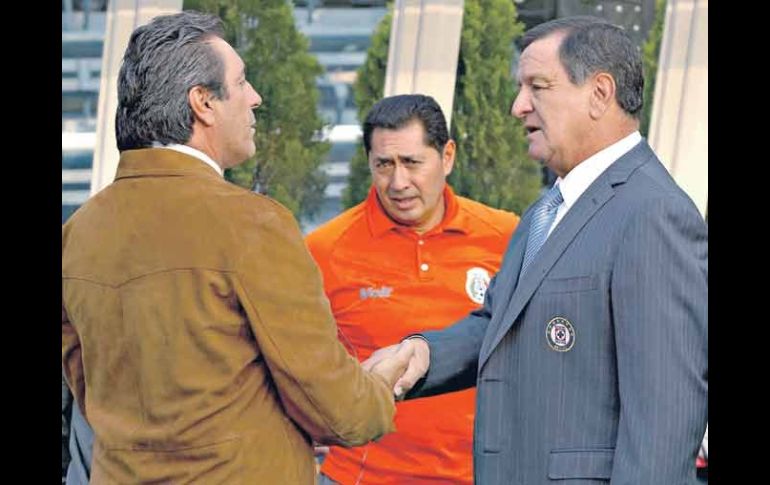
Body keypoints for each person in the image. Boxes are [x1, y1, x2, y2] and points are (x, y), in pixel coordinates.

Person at [61, 11, 409, 483]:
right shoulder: (252, 224)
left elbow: (86, 385)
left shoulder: (77, 233)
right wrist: (384, 384)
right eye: (242, 82)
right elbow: (337, 409)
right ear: (202, 102)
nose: (255, 98)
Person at [366, 16, 708, 484]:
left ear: (600, 93)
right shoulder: (548, 209)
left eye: (537, 86)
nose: (517, 106)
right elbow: (499, 323)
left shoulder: (653, 214)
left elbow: (665, 417)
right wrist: (423, 353)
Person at [306, 94, 520, 484]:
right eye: (383, 165)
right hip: (361, 476)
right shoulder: (325, 250)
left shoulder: (505, 236)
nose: (398, 182)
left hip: (480, 474)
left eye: (412, 163)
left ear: (448, 156)